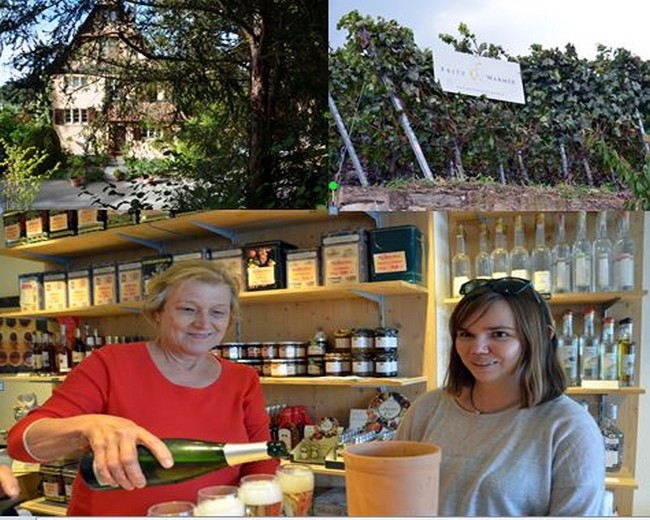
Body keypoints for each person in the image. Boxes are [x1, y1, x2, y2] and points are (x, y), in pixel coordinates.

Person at [8, 260, 279, 516]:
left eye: (217, 312)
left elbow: (261, 459)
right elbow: (21, 444)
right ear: (158, 312)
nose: (203, 323)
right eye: (188, 309)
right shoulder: (110, 363)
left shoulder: (242, 379)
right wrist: (85, 426)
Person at [396, 277, 606, 516]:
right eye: (466, 334)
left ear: (542, 337)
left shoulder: (570, 429)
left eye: (498, 334)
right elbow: (395, 494)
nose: (477, 348)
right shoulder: (427, 408)